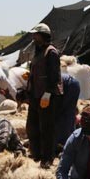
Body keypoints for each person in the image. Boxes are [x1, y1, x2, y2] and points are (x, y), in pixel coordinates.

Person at [26, 23, 63, 165]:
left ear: (43, 36)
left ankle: (48, 157)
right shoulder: (38, 51)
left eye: (36, 34)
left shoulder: (51, 52)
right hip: (35, 95)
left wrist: (48, 93)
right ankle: (36, 154)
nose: (34, 37)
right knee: (32, 126)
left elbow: (54, 76)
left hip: (47, 96)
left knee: (46, 128)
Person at [56, 72, 81, 148]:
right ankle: (69, 139)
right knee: (67, 113)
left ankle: (65, 141)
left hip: (68, 87)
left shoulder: (47, 80)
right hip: (74, 84)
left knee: (63, 114)